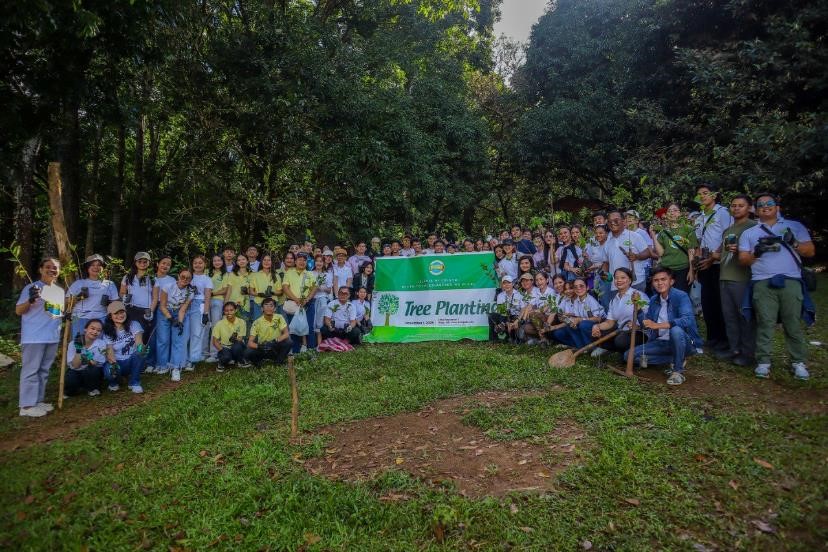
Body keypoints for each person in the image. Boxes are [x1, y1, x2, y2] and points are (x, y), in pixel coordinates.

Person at [739, 193, 816, 380]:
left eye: (769, 203)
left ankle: (798, 362)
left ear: (777, 207)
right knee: (765, 322)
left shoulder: (794, 226)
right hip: (762, 281)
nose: (765, 206)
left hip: (790, 280)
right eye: (761, 205)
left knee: (792, 323)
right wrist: (758, 251)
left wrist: (793, 242)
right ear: (756, 210)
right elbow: (743, 260)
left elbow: (810, 251)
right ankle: (764, 362)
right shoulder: (750, 233)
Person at [626, 267, 703, 386]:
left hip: (683, 341)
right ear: (652, 283)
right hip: (661, 342)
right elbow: (647, 324)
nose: (660, 283)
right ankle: (676, 359)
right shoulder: (653, 300)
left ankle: (678, 372)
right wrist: (639, 309)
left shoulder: (681, 296)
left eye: (663, 279)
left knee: (675, 330)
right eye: (656, 280)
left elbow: (687, 320)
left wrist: (657, 325)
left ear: (671, 281)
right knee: (628, 356)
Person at [15, 258, 65, 417]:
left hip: (51, 337)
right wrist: (30, 300)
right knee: (31, 370)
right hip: (34, 337)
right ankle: (27, 406)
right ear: (41, 269)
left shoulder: (59, 291)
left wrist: (65, 314)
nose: (52, 270)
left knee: (43, 370)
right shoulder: (32, 287)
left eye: (55, 268)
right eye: (48, 267)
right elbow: (19, 311)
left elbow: (55, 312)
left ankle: (37, 400)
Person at [712, 195, 757, 366]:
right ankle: (734, 348)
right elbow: (721, 252)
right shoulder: (728, 230)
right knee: (729, 316)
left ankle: (748, 352)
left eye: (741, 205)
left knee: (744, 316)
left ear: (749, 208)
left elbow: (757, 254)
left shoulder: (753, 227)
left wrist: (740, 251)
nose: (736, 208)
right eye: (733, 205)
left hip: (742, 278)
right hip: (724, 276)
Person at [693, 183, 733, 352]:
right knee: (707, 302)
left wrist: (714, 256)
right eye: (699, 194)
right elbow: (698, 240)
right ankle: (712, 337)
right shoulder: (701, 216)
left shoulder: (722, 213)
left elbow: (729, 236)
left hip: (718, 264)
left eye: (705, 193)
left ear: (714, 195)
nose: (702, 196)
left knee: (720, 302)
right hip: (704, 263)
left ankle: (724, 339)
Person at [590, 268, 650, 357]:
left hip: (639, 332)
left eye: (623, 277)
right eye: (617, 278)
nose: (619, 280)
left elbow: (648, 318)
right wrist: (597, 326)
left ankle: (627, 352)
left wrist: (638, 326)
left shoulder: (638, 295)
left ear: (630, 280)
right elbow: (610, 322)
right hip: (622, 331)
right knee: (596, 334)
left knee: (620, 341)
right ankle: (615, 351)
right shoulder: (614, 300)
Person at [650, 202, 698, 293]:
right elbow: (660, 253)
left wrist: (691, 271)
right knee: (667, 297)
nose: (672, 213)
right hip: (666, 270)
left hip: (683, 269)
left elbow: (691, 251)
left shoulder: (688, 229)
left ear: (680, 213)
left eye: (675, 210)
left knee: (681, 296)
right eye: (669, 211)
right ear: (666, 214)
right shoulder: (663, 232)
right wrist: (653, 236)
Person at [68, 254, 119, 337]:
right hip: (79, 317)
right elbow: (66, 301)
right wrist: (78, 297)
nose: (96, 267)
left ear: (103, 268)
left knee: (98, 345)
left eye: (99, 265)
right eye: (92, 265)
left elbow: (115, 304)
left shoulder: (110, 284)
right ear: (87, 268)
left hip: (101, 317)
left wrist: (109, 303)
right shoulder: (79, 283)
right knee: (79, 344)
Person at [102, 300, 146, 393]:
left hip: (131, 360)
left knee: (140, 352)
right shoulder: (107, 332)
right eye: (116, 313)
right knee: (109, 370)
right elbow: (110, 353)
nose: (120, 315)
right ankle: (114, 382)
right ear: (110, 316)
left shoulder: (134, 324)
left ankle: (135, 383)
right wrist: (113, 365)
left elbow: (139, 343)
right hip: (117, 362)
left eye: (122, 312)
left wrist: (142, 349)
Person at [602, 209, 651, 292]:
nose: (612, 223)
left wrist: (636, 256)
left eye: (616, 220)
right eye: (610, 221)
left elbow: (647, 253)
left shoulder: (634, 236)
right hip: (617, 285)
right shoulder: (607, 242)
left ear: (623, 221)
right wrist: (604, 279)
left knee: (638, 305)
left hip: (635, 282)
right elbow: (606, 263)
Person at [159, 269, 196, 381]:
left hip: (179, 312)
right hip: (165, 312)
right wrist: (170, 318)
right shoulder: (167, 287)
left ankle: (176, 368)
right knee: (163, 340)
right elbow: (162, 305)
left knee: (178, 341)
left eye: (188, 278)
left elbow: (183, 310)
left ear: (190, 280)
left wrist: (179, 322)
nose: (184, 279)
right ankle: (163, 365)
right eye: (182, 276)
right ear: (178, 276)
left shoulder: (190, 292)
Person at [282, 252, 318, 353]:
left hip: (308, 304)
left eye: (304, 260)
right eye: (299, 259)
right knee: (294, 327)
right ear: (295, 261)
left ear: (307, 262)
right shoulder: (289, 272)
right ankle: (295, 350)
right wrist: (296, 299)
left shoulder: (310, 273)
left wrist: (307, 299)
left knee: (309, 326)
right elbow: (285, 287)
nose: (302, 262)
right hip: (293, 304)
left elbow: (315, 287)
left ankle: (311, 349)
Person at [64, 319, 105, 398]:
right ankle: (73, 389)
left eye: (98, 330)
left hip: (90, 371)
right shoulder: (73, 343)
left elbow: (95, 363)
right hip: (77, 370)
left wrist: (86, 357)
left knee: (93, 369)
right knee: (71, 378)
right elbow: (75, 366)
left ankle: (92, 388)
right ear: (85, 329)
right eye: (92, 328)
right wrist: (78, 350)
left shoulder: (101, 344)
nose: (95, 332)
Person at [245, 298, 292, 365]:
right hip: (263, 348)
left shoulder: (279, 317)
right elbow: (250, 342)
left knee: (288, 341)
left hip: (275, 346)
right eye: (266, 305)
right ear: (262, 309)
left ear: (275, 308)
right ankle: (258, 363)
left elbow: (286, 334)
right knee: (248, 351)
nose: (268, 308)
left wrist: (274, 341)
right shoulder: (257, 322)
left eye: (271, 305)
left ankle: (278, 362)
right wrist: (259, 346)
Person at [119, 252, 154, 335]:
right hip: (131, 309)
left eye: (145, 261)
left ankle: (143, 348)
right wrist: (124, 297)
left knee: (145, 335)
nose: (142, 264)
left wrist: (151, 311)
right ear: (135, 262)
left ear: (149, 263)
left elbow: (155, 297)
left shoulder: (152, 278)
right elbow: (121, 292)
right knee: (130, 334)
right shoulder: (128, 277)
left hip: (146, 310)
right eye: (139, 261)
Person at [188, 255, 213, 367]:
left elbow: (207, 297)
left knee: (197, 333)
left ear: (204, 265)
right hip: (186, 305)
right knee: (187, 333)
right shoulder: (188, 277)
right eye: (195, 263)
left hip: (199, 306)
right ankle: (186, 357)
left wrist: (205, 313)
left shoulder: (207, 279)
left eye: (200, 263)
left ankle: (193, 359)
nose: (197, 265)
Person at [211, 302, 247, 371]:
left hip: (236, 345)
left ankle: (239, 360)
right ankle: (221, 363)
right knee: (226, 356)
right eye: (226, 310)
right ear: (224, 312)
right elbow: (215, 342)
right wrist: (222, 350)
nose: (229, 312)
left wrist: (235, 338)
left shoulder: (241, 322)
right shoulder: (219, 324)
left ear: (235, 310)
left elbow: (240, 338)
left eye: (231, 310)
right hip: (225, 347)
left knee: (237, 346)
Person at [205, 255, 229, 363]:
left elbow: (224, 290)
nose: (217, 262)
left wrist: (211, 293)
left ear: (222, 262)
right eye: (214, 260)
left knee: (215, 326)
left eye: (219, 260)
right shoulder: (206, 272)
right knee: (205, 326)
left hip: (217, 301)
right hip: (204, 302)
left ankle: (214, 353)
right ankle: (203, 353)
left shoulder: (225, 274)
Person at [488, 275, 524, 342]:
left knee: (514, 335)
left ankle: (511, 336)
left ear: (512, 284)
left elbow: (522, 310)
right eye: (504, 283)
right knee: (491, 316)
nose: (507, 285)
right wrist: (506, 323)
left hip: (515, 317)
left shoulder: (519, 295)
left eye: (509, 283)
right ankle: (493, 339)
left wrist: (517, 320)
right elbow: (502, 312)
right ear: (502, 285)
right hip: (505, 316)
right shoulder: (500, 296)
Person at [226, 254, 255, 329]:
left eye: (243, 259)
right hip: (232, 304)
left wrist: (247, 291)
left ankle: (244, 341)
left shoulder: (252, 274)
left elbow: (254, 290)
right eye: (239, 260)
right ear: (236, 262)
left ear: (247, 260)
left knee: (244, 327)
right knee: (231, 327)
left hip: (245, 305)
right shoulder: (232, 274)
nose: (241, 261)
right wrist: (226, 304)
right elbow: (229, 290)